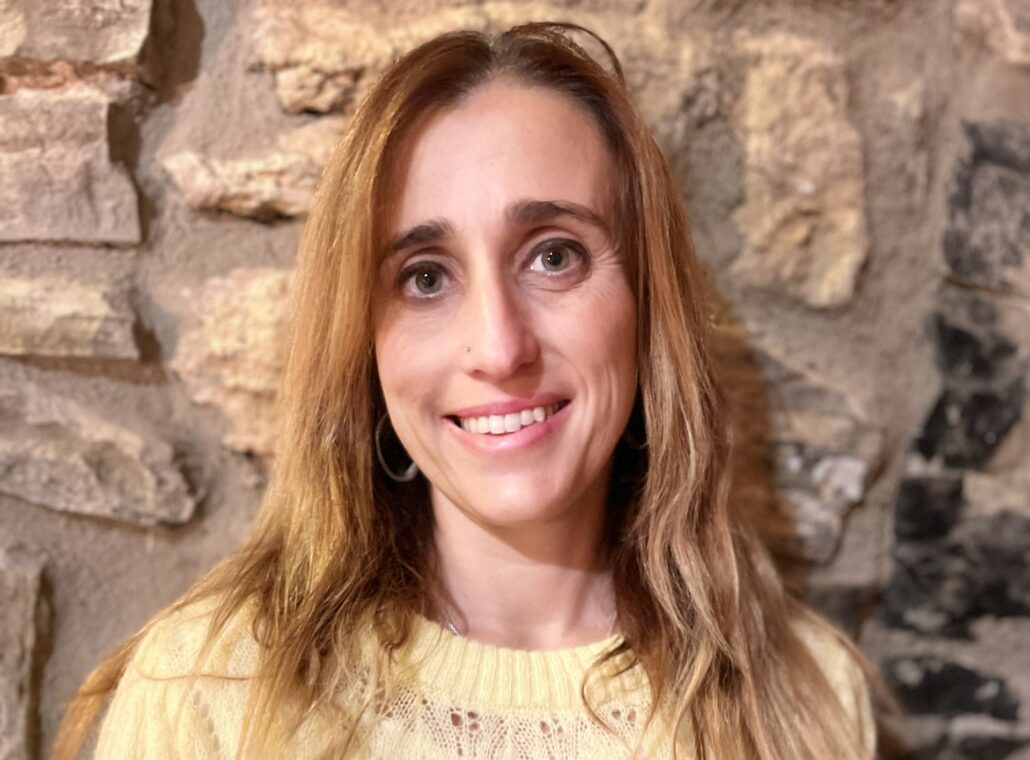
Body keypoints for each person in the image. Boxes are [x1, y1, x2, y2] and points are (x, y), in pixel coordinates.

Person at [53, 22, 878, 760]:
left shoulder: (805, 701)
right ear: (363, 342)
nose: (500, 348)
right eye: (425, 277)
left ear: (646, 304)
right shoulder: (210, 690)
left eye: (553, 256)